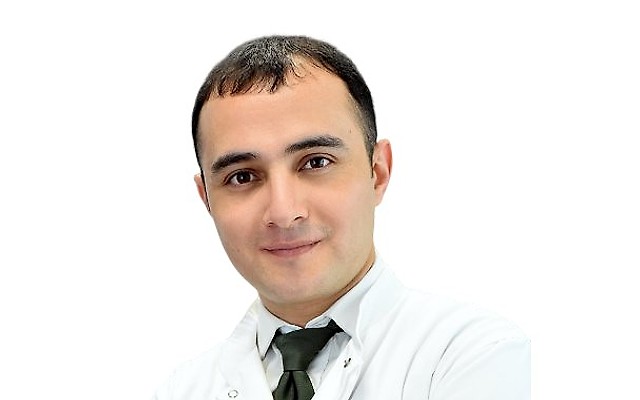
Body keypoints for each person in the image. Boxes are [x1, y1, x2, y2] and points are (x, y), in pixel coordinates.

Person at [153, 35, 530, 400]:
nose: (284, 213)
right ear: (207, 199)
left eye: (316, 162)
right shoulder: (182, 390)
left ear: (377, 172)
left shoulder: (475, 356)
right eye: (242, 177)